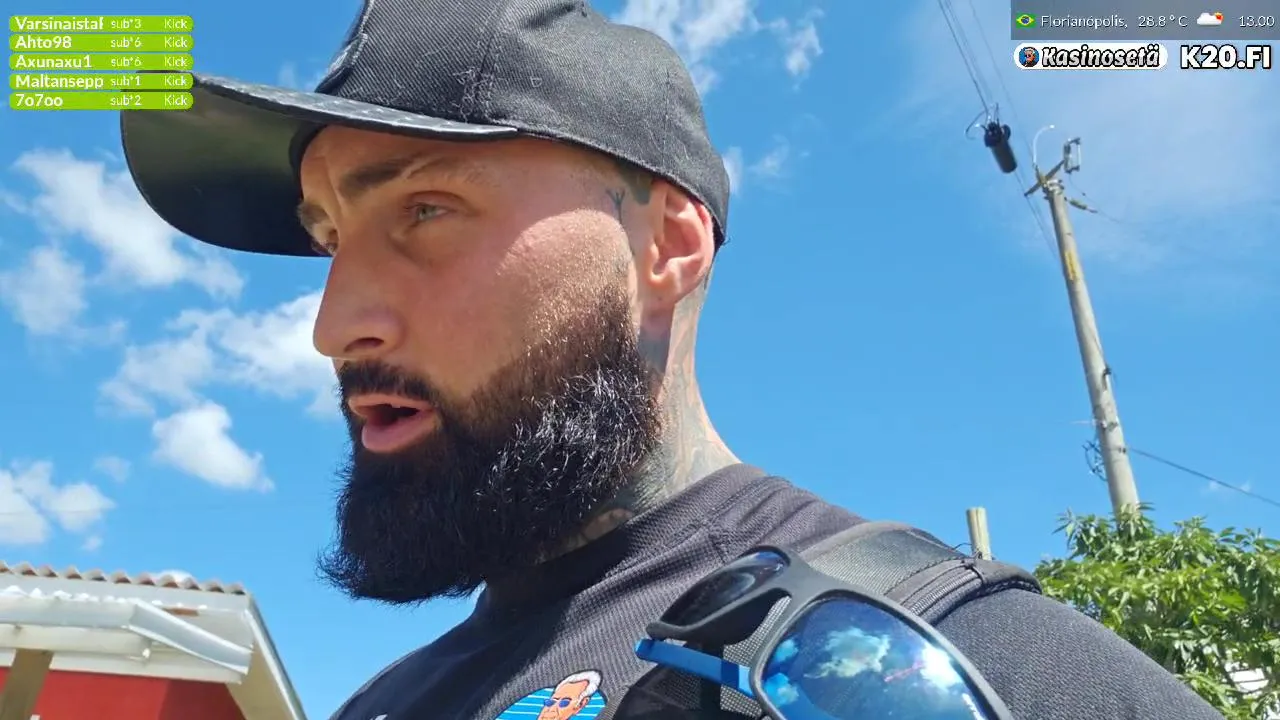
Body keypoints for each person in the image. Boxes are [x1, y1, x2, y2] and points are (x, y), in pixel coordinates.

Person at [119, 1, 1226, 718]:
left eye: (425, 209)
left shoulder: (910, 660)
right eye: (328, 239)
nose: (333, 326)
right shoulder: (384, 703)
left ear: (668, 245)